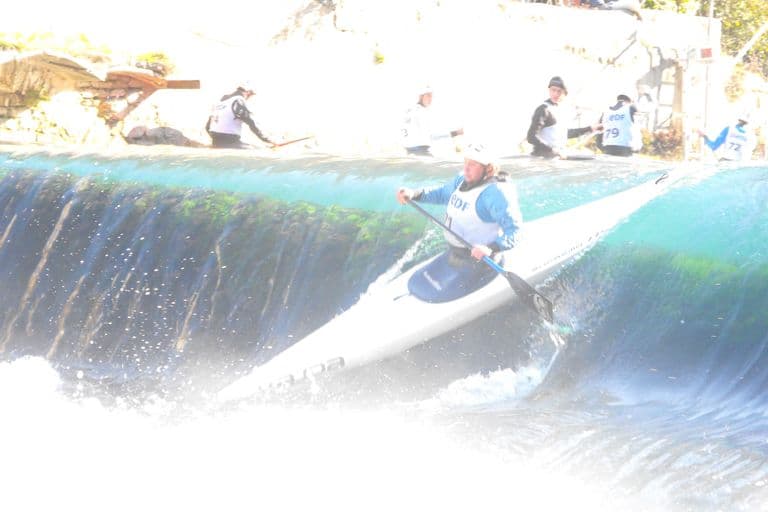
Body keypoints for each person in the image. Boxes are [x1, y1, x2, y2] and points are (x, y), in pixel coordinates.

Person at [396, 144, 522, 302]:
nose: (466, 169)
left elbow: (515, 232)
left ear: (488, 168)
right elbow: (441, 194)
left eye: (473, 164)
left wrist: (490, 249)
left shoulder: (496, 194)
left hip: (481, 264)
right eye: (466, 162)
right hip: (455, 255)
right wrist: (414, 194)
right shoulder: (462, 180)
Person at [526, 76, 601, 159]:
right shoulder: (543, 109)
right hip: (542, 158)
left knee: (591, 158)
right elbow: (531, 137)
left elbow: (565, 134)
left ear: (565, 94)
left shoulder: (561, 111)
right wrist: (552, 150)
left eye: (559, 91)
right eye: (553, 90)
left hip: (556, 158)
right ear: (549, 90)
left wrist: (590, 128)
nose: (556, 94)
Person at [205, 81, 275, 149]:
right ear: (247, 93)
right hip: (230, 141)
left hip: (215, 140)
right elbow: (251, 123)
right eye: (250, 95)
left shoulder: (219, 102)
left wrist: (216, 141)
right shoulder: (238, 100)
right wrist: (267, 140)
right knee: (259, 149)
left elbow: (207, 127)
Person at [401, 86, 464, 157]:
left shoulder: (410, 110)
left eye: (431, 96)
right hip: (420, 151)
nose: (430, 99)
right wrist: (456, 133)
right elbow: (432, 136)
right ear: (421, 96)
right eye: (428, 96)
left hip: (410, 151)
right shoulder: (421, 112)